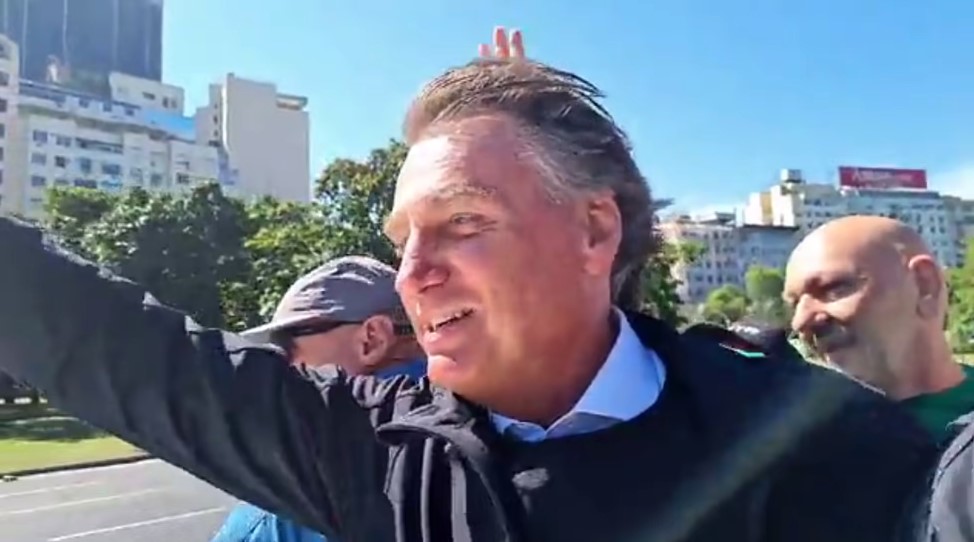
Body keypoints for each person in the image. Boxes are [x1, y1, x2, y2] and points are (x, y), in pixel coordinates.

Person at [0, 39, 938, 542]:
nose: (413, 274)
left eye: (462, 223)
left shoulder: (825, 444)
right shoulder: (362, 446)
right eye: (403, 240)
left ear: (594, 230)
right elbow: (104, 345)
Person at [211, 256, 425, 542]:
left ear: (372, 339)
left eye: (287, 346)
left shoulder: (299, 493)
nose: (282, 366)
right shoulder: (474, 413)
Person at [784, 215, 974, 439]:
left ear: (925, 286)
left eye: (833, 288)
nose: (800, 321)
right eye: (795, 305)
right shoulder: (791, 438)